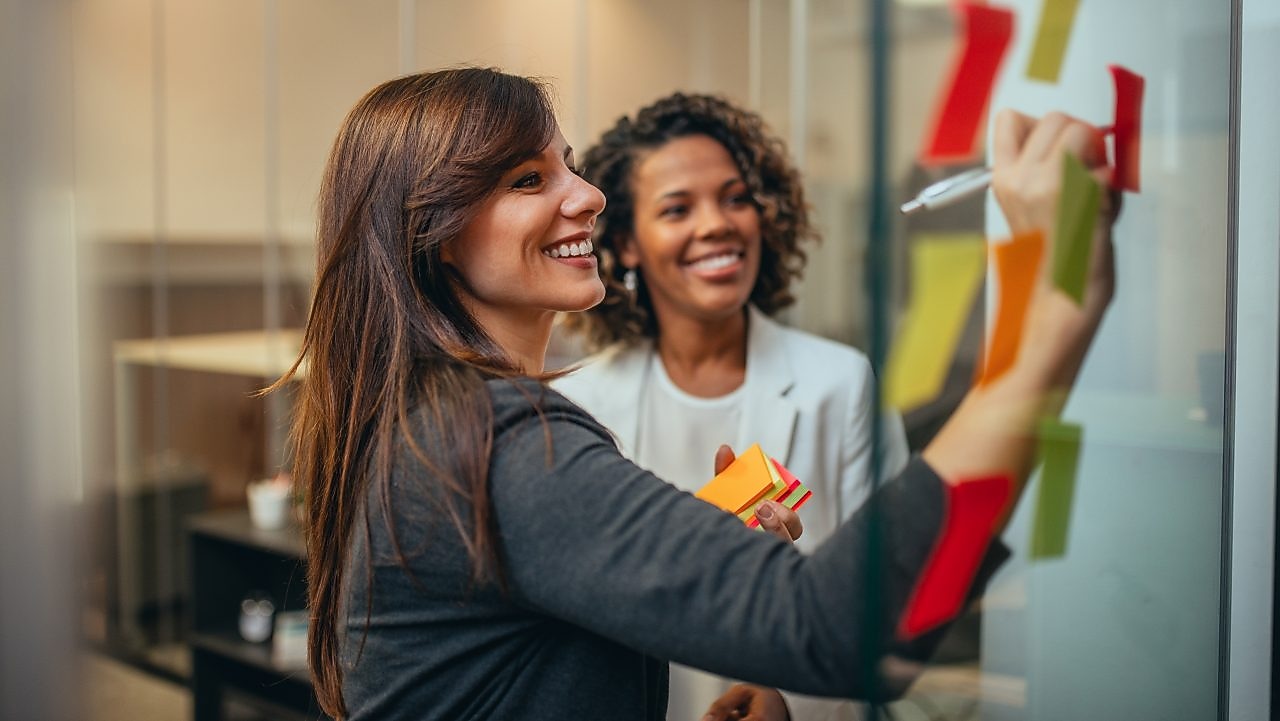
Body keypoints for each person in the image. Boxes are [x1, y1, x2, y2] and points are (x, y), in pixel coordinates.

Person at [274, 67, 1118, 721]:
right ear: (436, 234)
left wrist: (692, 571)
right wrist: (1049, 320)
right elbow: (839, 631)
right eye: (528, 180)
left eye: (566, 166)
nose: (590, 196)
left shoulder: (435, 425)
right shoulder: (496, 440)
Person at [552, 92, 910, 721]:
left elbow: (890, 605)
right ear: (627, 244)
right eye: (677, 208)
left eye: (736, 197)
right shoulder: (578, 404)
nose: (717, 223)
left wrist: (784, 700)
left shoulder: (840, 383)